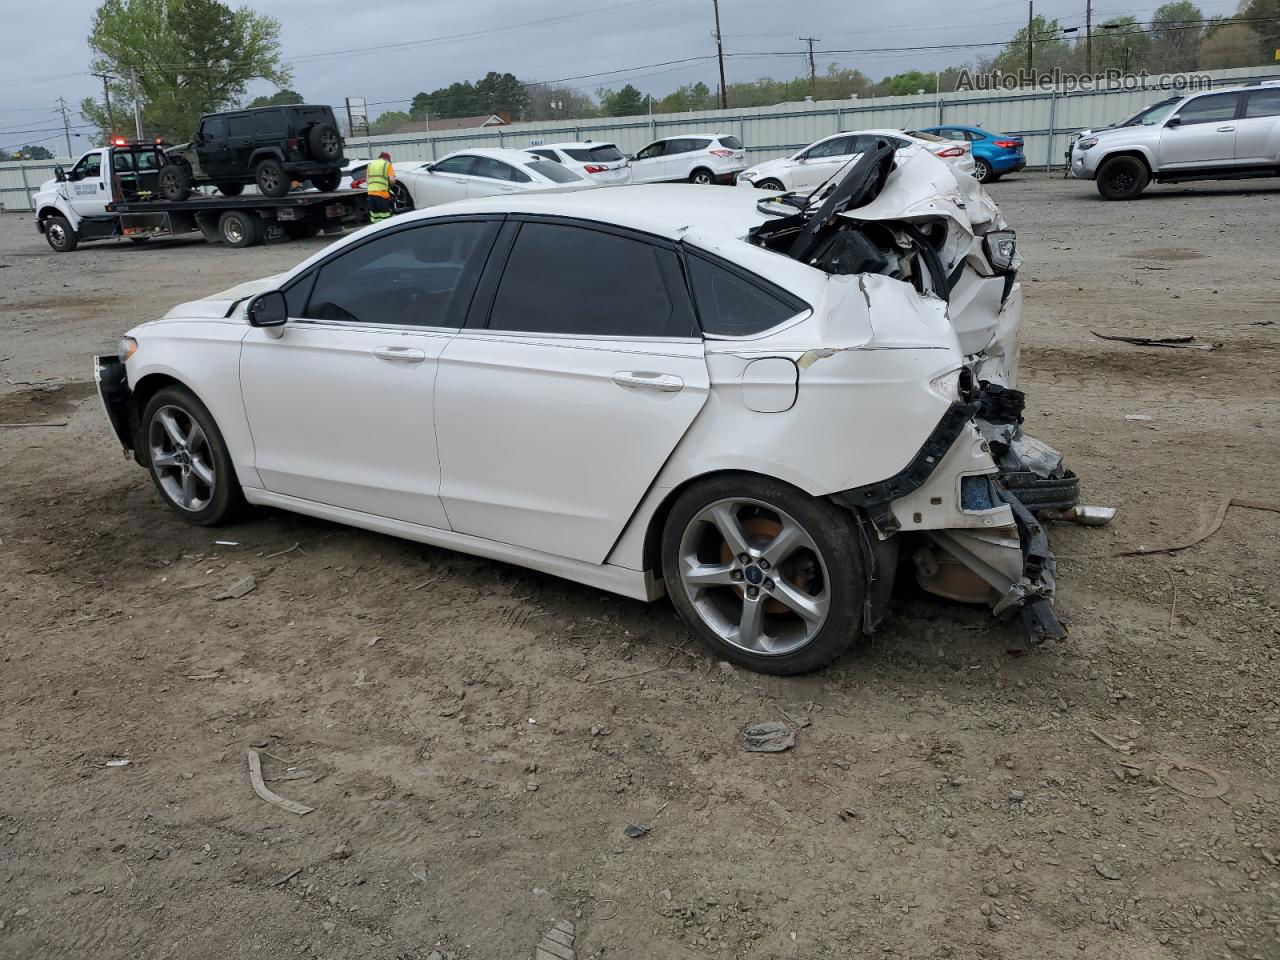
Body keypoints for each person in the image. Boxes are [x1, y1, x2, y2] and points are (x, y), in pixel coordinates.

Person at [365, 151, 396, 223]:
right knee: (386, 218)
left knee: (375, 217)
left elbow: (367, 180)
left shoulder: (370, 165)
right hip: (382, 195)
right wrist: (391, 186)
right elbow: (392, 180)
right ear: (387, 158)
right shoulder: (387, 164)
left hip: (371, 195)